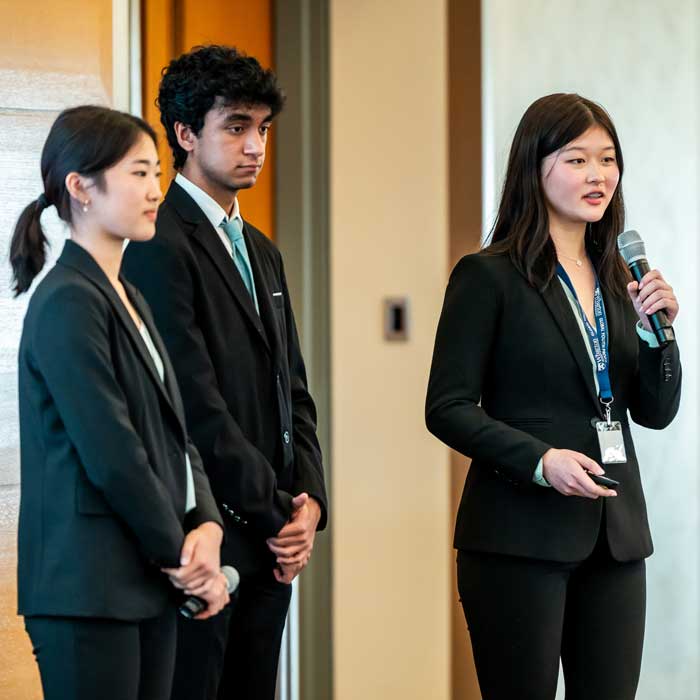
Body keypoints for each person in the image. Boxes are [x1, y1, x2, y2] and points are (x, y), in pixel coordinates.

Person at [426, 93, 681, 700]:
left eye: (608, 160)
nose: (599, 176)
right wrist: (540, 461)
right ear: (533, 168)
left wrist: (659, 341)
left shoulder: (623, 278)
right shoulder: (488, 277)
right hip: (519, 536)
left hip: (614, 536)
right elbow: (448, 407)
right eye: (576, 160)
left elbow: (654, 412)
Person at [122, 45, 328, 700]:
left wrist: (312, 505)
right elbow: (192, 402)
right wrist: (275, 513)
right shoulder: (159, 241)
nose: (256, 145)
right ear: (185, 134)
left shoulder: (261, 249)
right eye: (236, 126)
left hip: (273, 539)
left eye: (262, 128)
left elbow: (292, 386)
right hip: (206, 535)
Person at [12, 105, 230, 700]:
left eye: (157, 172)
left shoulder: (128, 293)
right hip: (89, 588)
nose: (156, 190)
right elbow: (114, 452)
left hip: (147, 580)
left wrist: (206, 525)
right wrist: (184, 559)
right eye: (138, 174)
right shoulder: (66, 301)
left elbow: (175, 433)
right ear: (81, 187)